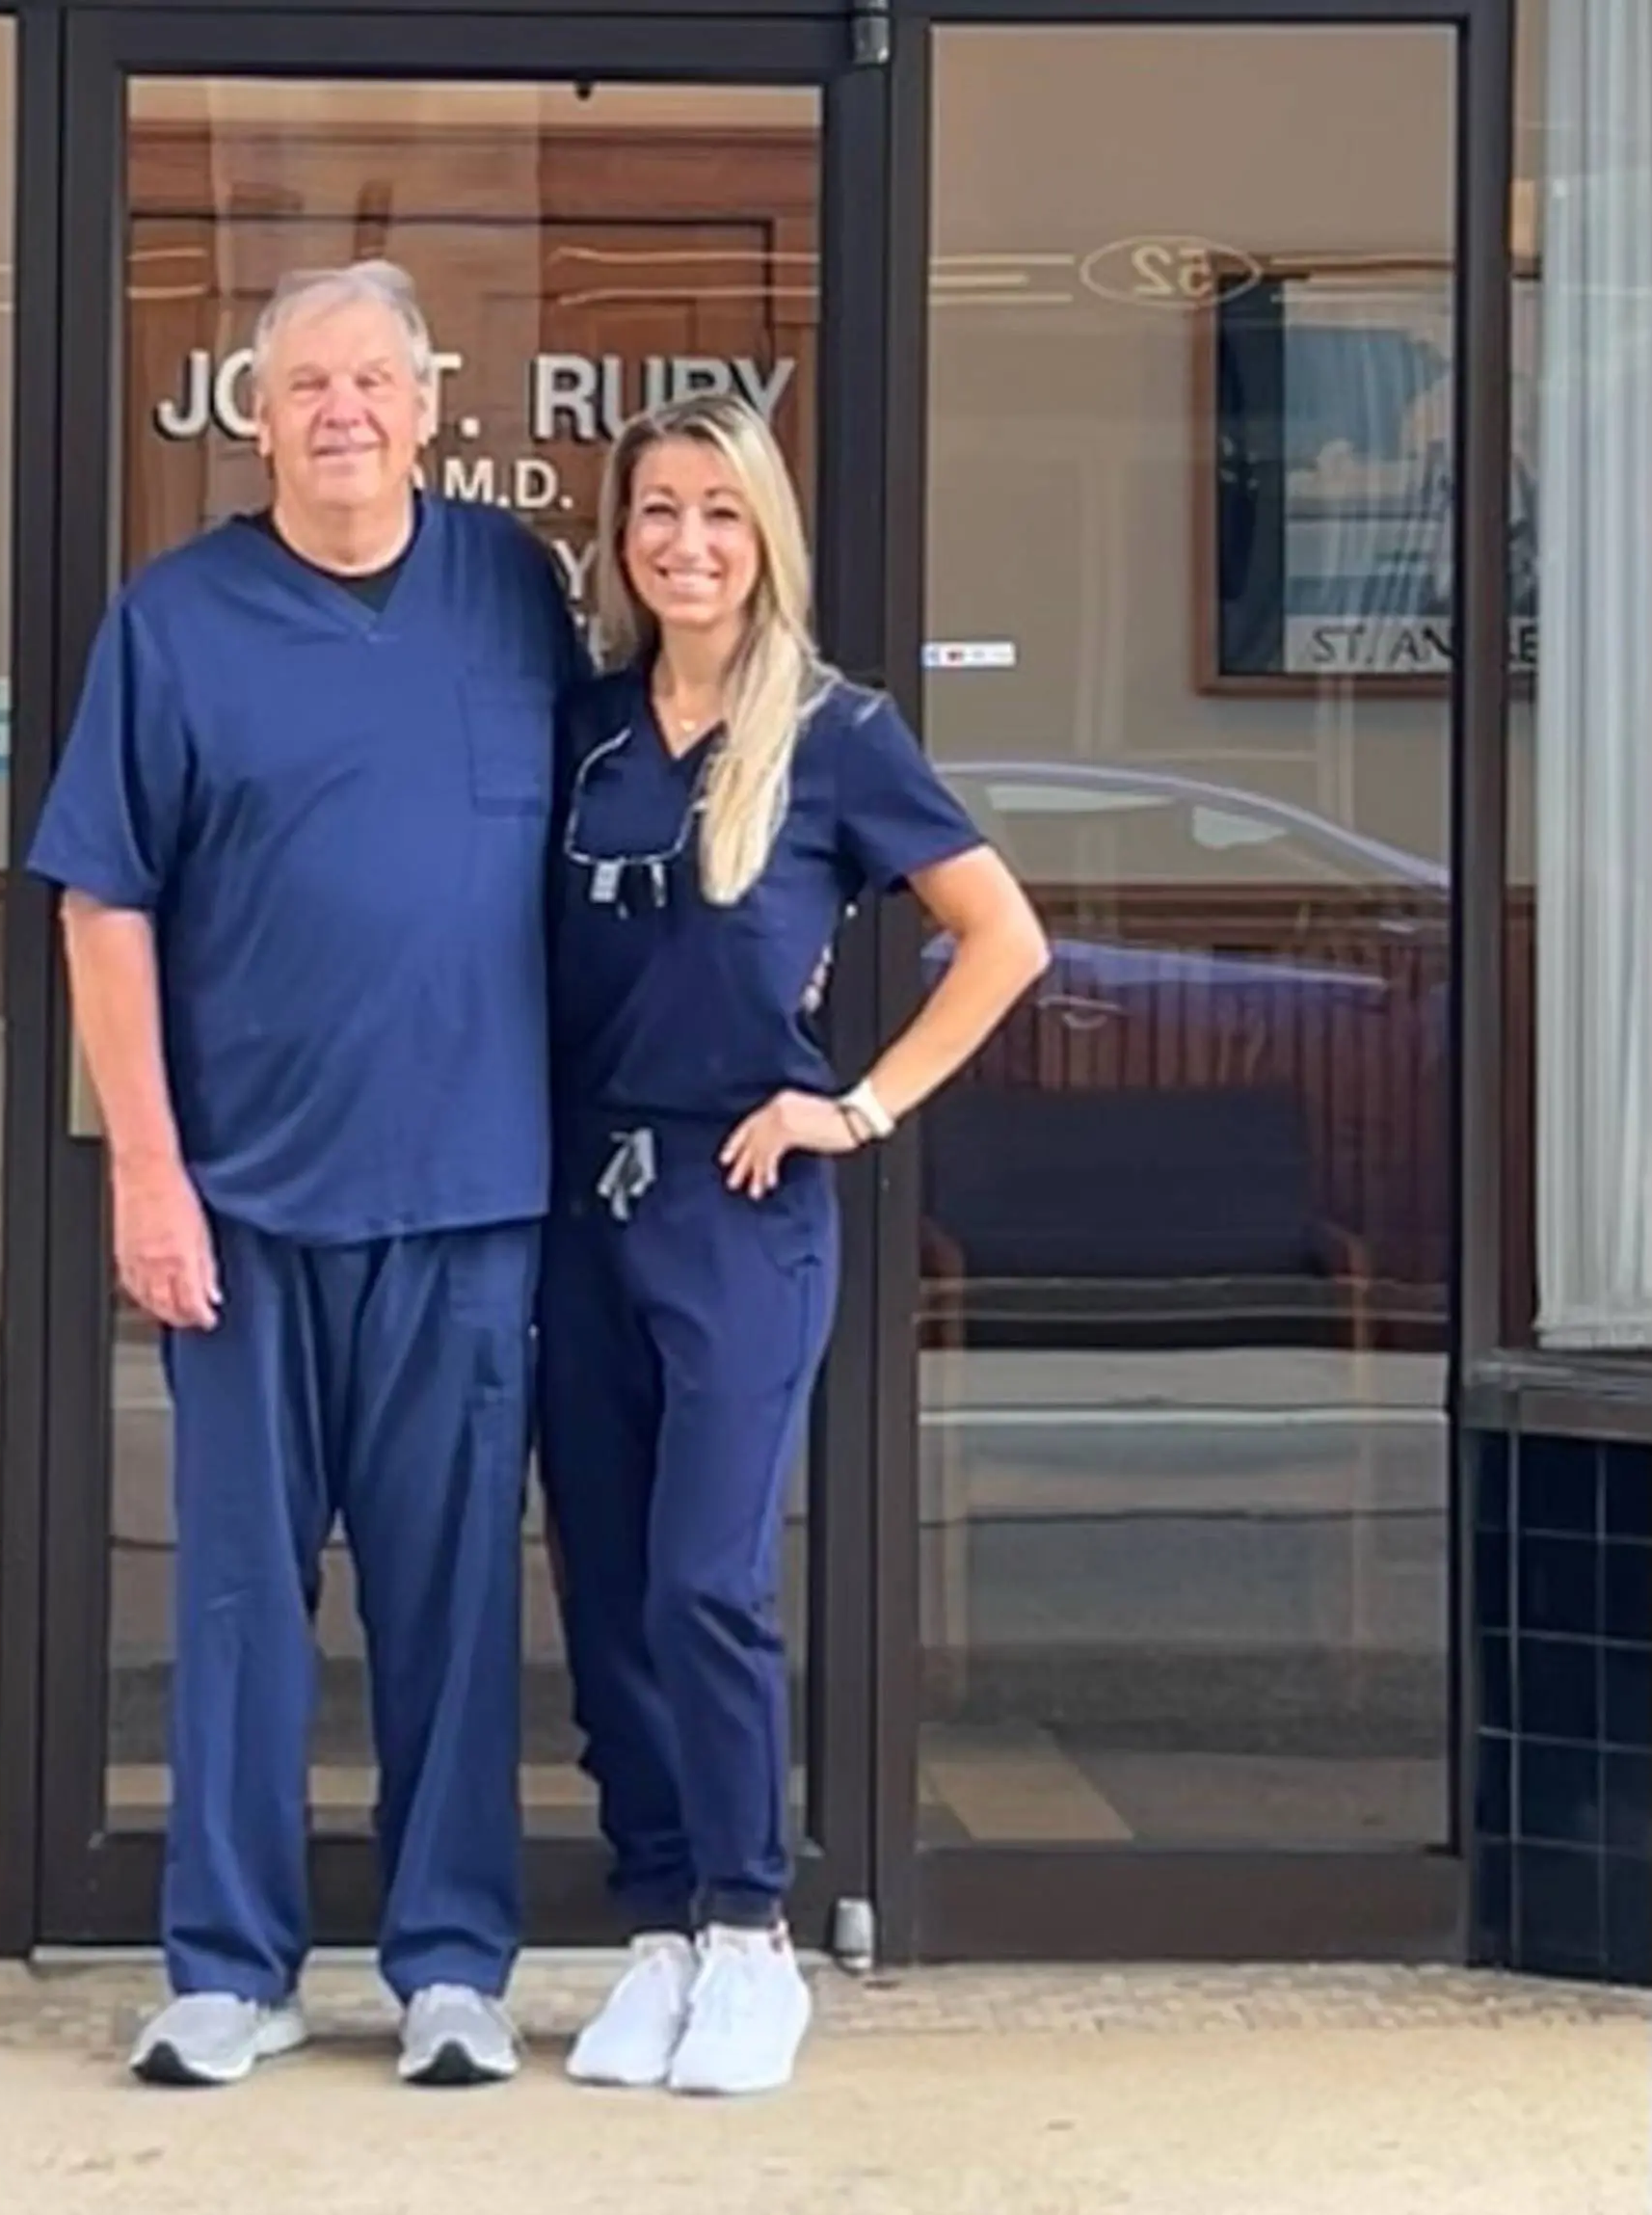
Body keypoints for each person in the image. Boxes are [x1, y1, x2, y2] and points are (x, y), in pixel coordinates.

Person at [26, 259, 582, 2089]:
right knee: (245, 1606)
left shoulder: (513, 591)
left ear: (433, 405)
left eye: (376, 380)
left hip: (469, 1196)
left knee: (452, 1606)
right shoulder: (175, 621)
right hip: (246, 1205)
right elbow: (104, 907)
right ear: (248, 416)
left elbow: (621, 823)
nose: (342, 411)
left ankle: (447, 1966)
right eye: (305, 385)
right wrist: (148, 1178)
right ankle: (229, 1964)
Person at [536, 394, 1049, 2096]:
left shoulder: (837, 734)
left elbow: (1002, 938)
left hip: (739, 1207)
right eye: (656, 512)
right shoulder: (586, 729)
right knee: (606, 1592)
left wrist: (864, 1104)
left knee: (703, 1579)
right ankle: (662, 1926)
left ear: (768, 541)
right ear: (620, 538)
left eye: (721, 515)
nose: (685, 543)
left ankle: (755, 1930)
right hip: (577, 1210)